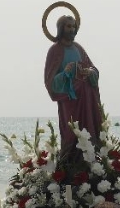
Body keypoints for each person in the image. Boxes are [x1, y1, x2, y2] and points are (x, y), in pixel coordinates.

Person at [44, 15, 102, 163]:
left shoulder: (78, 48)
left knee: (88, 131)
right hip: (69, 100)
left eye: (73, 26)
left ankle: (91, 162)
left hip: (86, 99)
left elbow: (92, 67)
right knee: (71, 133)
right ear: (61, 28)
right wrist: (65, 73)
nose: (71, 29)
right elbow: (51, 82)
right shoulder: (55, 51)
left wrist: (90, 72)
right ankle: (70, 165)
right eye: (68, 26)